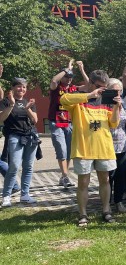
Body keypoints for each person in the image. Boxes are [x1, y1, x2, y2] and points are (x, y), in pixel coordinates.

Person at [60, 70, 122, 226]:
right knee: (83, 182)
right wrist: (90, 95)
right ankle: (83, 214)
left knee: (105, 180)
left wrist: (117, 107)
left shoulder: (107, 101)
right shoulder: (79, 100)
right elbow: (63, 99)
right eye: (99, 86)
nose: (101, 90)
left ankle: (106, 211)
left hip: (104, 148)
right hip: (83, 149)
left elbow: (114, 123)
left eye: (104, 87)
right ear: (90, 83)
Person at [0, 78, 39, 206]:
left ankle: (25, 195)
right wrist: (11, 104)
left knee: (28, 166)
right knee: (14, 166)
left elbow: (35, 120)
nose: (21, 89)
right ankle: (6, 196)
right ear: (12, 88)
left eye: (23, 87)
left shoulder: (29, 102)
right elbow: (1, 119)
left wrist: (28, 109)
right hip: (14, 136)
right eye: (18, 86)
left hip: (30, 136)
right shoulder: (5, 101)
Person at [48, 60, 81, 189]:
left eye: (70, 77)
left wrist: (81, 69)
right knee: (61, 149)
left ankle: (63, 176)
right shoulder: (57, 88)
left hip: (68, 122)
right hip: (55, 121)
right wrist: (66, 69)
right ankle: (65, 176)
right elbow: (54, 81)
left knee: (68, 151)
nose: (68, 79)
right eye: (66, 76)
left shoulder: (73, 89)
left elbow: (89, 85)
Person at [106, 79, 126, 213]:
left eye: (119, 91)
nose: (117, 93)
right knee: (108, 176)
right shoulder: (104, 104)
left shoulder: (124, 105)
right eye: (114, 90)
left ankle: (118, 201)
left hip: (122, 145)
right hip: (107, 145)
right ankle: (107, 202)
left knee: (120, 175)